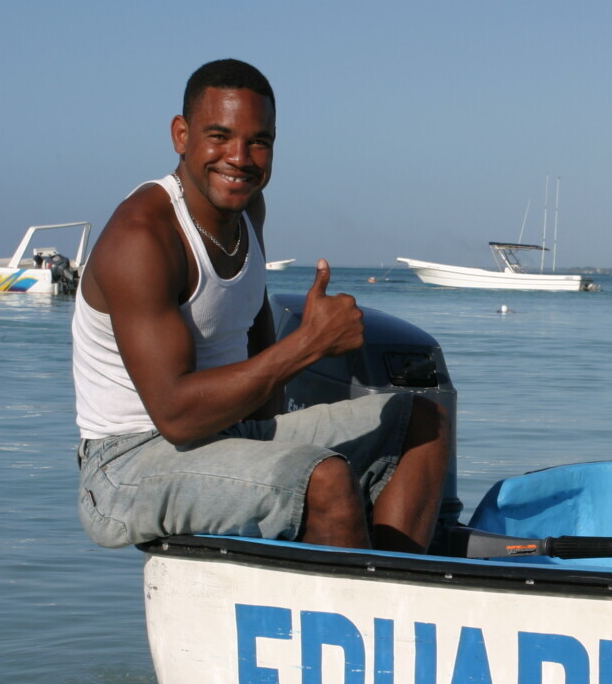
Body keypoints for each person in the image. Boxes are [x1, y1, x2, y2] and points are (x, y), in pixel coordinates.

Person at [73, 58, 448, 552]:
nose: (240, 157)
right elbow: (175, 416)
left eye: (259, 142)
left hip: (231, 430)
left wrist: (275, 432)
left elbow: (252, 325)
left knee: (420, 421)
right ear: (181, 135)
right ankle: (346, 607)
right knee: (324, 480)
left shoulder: (248, 208)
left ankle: (393, 595)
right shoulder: (142, 236)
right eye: (219, 136)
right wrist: (309, 344)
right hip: (128, 464)